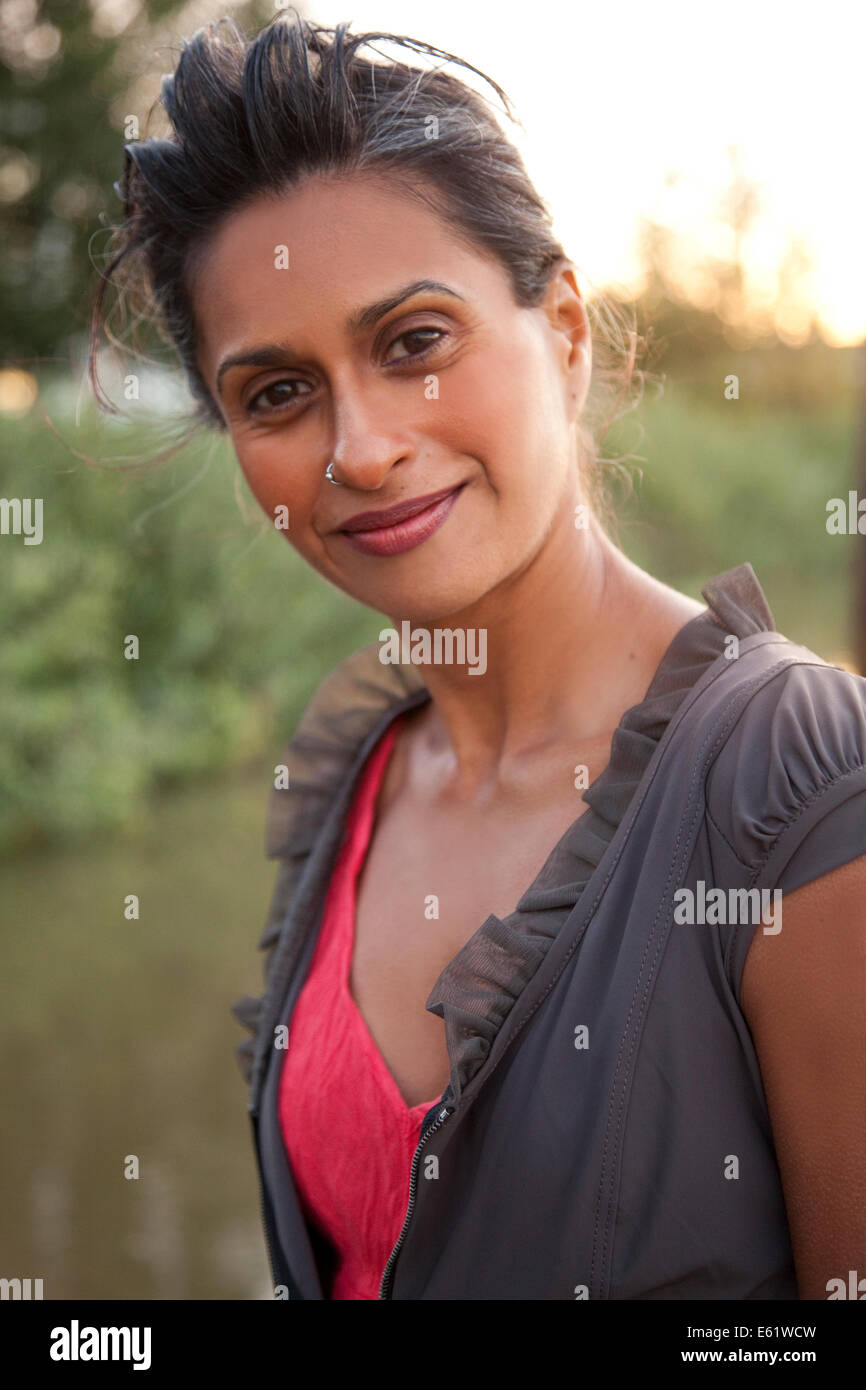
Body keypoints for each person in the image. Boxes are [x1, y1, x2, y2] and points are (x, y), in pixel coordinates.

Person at [89, 11, 866, 1300]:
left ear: (563, 327)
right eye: (276, 392)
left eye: (414, 343)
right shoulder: (357, 779)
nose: (362, 447)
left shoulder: (801, 785)